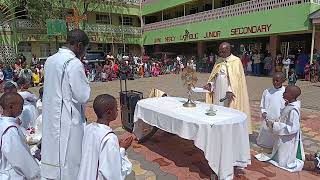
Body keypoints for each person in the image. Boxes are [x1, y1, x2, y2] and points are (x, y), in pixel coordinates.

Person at [41, 29, 91, 180]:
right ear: (79, 46)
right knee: (70, 157)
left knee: (53, 151)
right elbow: (83, 95)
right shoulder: (74, 63)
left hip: (51, 114)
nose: (84, 53)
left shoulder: (50, 60)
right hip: (68, 119)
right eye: (85, 49)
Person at [78, 94, 133, 180]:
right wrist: (122, 149)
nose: (117, 110)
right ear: (109, 113)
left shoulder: (88, 128)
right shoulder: (109, 138)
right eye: (116, 108)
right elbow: (112, 173)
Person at [204, 42, 252, 133]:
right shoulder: (219, 60)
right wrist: (210, 84)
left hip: (229, 91)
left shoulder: (236, 61)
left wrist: (230, 90)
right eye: (220, 51)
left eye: (223, 51)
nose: (221, 53)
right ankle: (217, 127)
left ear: (229, 50)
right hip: (218, 89)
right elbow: (214, 76)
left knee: (228, 110)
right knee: (217, 107)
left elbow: (236, 79)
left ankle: (228, 130)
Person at [256, 85, 305, 172]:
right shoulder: (289, 105)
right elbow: (284, 116)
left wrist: (275, 125)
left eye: (285, 92)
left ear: (292, 95)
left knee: (285, 158)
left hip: (288, 139)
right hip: (283, 136)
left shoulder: (293, 110)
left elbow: (293, 128)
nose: (283, 93)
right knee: (279, 151)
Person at [0, 92, 40, 179]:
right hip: (12, 174)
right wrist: (36, 175)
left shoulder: (3, 123)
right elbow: (20, 158)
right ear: (11, 107)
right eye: (21, 105)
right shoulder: (10, 129)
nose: (22, 108)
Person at [257, 72, 286, 149]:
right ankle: (264, 143)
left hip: (278, 118)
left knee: (276, 134)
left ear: (283, 80)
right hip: (268, 117)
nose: (275, 82)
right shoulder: (267, 91)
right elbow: (263, 103)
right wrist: (263, 111)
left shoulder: (285, 92)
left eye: (277, 80)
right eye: (273, 80)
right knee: (266, 132)